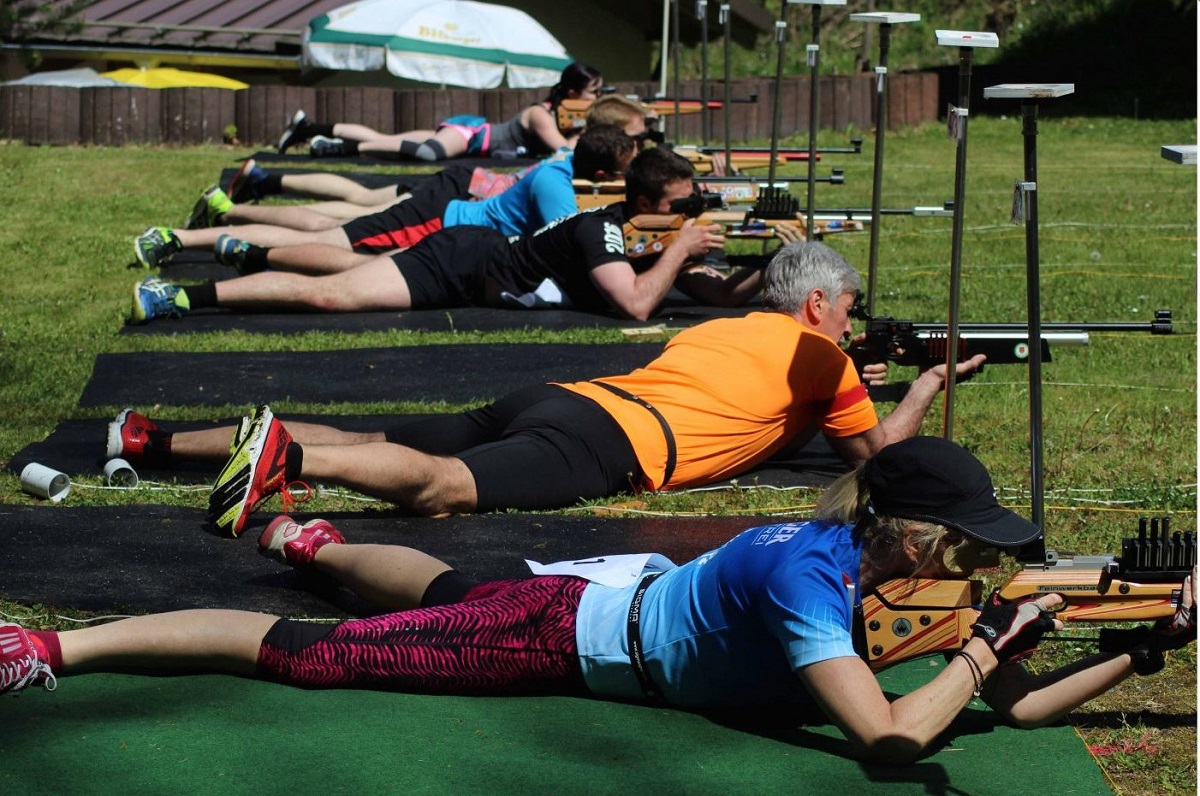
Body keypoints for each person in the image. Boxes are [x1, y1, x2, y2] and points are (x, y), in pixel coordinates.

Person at [6, 437, 1194, 765]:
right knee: (316, 654)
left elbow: (1026, 712)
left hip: (617, 594)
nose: (978, 566)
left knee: (447, 580)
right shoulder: (808, 577)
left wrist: (1144, 648)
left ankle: (299, 530)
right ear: (909, 531)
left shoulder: (859, 557)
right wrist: (988, 648)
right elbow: (891, 736)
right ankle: (51, 640)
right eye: (966, 545)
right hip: (566, 633)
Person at [114, 240, 985, 536]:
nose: (850, 325)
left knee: (383, 436)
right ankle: (288, 456)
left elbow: (760, 416)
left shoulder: (728, 328)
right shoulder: (824, 361)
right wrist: (927, 387)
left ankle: (147, 441)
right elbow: (878, 461)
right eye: (848, 312)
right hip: (611, 445)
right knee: (442, 493)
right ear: (821, 303)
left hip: (567, 397)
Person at [128, 145, 746, 322]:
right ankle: (184, 295)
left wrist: (776, 268)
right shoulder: (601, 229)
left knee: (336, 257)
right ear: (642, 202)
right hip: (460, 258)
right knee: (332, 288)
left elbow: (715, 295)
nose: (687, 215)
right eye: (678, 206)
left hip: (469, 262)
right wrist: (685, 247)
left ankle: (243, 251)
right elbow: (638, 306)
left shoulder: (649, 240)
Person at [134, 123, 636, 271]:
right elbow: (566, 239)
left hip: (446, 214)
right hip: (436, 221)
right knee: (331, 238)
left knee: (335, 222)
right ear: (599, 171)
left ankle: (220, 221)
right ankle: (181, 236)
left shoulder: (565, 166)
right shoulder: (556, 182)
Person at [193, 94, 657, 235]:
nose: (642, 145)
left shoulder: (574, 149)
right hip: (464, 185)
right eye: (635, 136)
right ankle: (234, 212)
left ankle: (261, 179)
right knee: (346, 216)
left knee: (355, 203)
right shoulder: (565, 139)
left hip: (466, 184)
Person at [276, 62, 603, 161]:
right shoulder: (541, 114)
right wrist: (584, 133)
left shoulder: (556, 113)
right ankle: (334, 148)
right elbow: (562, 149)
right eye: (594, 93)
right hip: (472, 135)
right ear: (573, 94)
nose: (597, 98)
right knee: (426, 155)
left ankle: (307, 128)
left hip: (469, 135)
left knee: (385, 138)